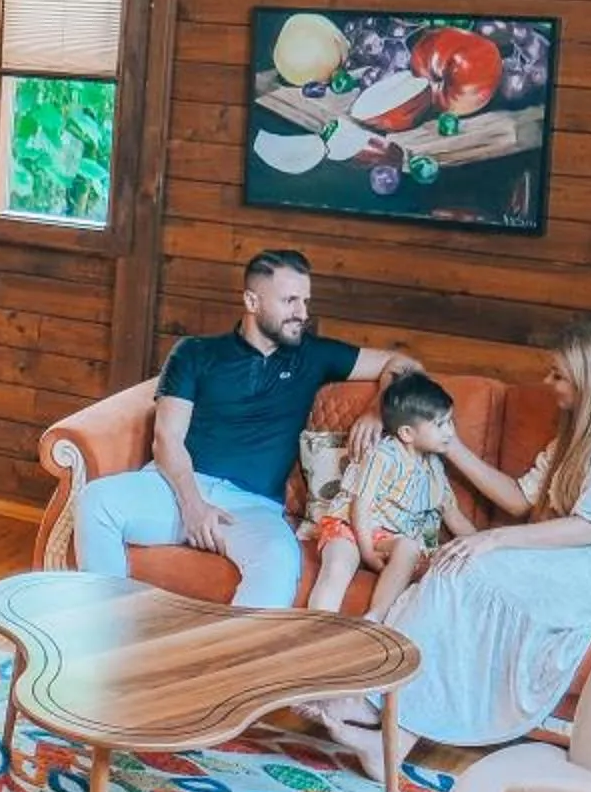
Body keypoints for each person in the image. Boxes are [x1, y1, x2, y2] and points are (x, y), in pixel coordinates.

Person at [318, 317, 591, 774]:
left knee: (469, 567)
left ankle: (373, 699)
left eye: (559, 376)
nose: (548, 383)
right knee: (456, 571)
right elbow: (518, 497)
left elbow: (589, 528)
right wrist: (448, 445)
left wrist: (493, 541)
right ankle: (393, 736)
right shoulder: (577, 435)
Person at [72, 249, 423, 608]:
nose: (302, 313)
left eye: (305, 301)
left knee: (278, 561)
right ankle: (104, 629)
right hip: (175, 488)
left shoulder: (314, 355)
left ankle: (232, 663)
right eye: (290, 301)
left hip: (252, 507)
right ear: (252, 301)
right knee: (96, 501)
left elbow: (405, 364)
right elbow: (167, 439)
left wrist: (378, 411)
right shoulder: (194, 353)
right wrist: (193, 506)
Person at [304, 370, 472, 616]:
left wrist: (487, 546)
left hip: (392, 539)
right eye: (440, 424)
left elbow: (452, 514)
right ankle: (316, 630)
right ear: (406, 433)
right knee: (337, 567)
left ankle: (375, 619)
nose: (450, 432)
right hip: (351, 527)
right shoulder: (383, 455)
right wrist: (367, 552)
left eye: (450, 422)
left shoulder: (434, 467)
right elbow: (360, 506)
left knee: (409, 547)